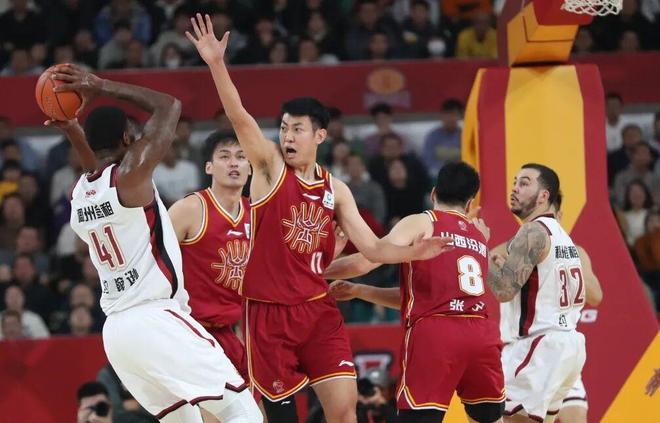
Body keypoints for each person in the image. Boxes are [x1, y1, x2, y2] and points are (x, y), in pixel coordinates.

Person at [186, 13, 452, 423]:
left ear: (320, 136)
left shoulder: (336, 189)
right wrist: (217, 64)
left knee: (344, 410)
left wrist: (412, 252)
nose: (287, 137)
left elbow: (373, 249)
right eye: (284, 128)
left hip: (317, 309)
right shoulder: (270, 167)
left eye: (297, 129)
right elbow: (239, 117)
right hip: (268, 314)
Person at [49, 63, 261, 422]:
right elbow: (169, 106)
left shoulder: (80, 193)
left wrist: (73, 131)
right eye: (134, 134)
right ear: (128, 138)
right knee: (243, 413)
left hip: (117, 334)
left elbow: (93, 169)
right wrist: (99, 85)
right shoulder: (131, 177)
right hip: (156, 318)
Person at [325, 162, 505, 423]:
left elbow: (367, 260)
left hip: (436, 333)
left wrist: (314, 270)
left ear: (433, 193)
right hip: (482, 334)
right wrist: (360, 290)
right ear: (469, 203)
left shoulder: (422, 222)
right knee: (488, 418)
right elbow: (423, 295)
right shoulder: (479, 236)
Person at [491, 192, 603, 423]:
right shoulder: (518, 244)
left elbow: (596, 296)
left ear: (558, 214)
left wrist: (558, 267)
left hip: (547, 347)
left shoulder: (574, 252)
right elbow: (498, 274)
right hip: (525, 349)